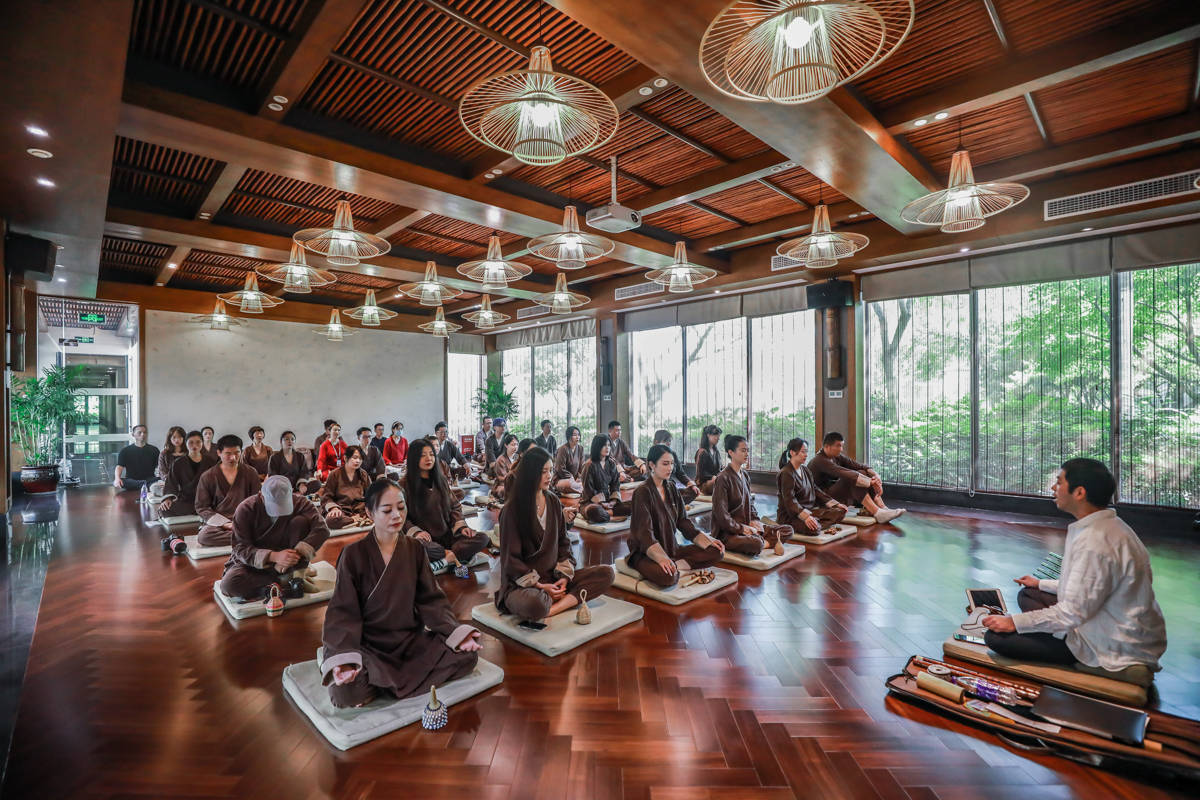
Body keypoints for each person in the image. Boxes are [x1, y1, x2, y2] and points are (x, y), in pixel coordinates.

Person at [981, 459, 1167, 676]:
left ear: (1079, 492)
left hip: (1112, 643)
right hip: (1110, 620)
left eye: (1059, 482)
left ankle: (1114, 668)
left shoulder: (1095, 542)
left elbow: (1073, 612)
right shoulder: (1111, 525)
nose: (1053, 488)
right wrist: (1040, 583)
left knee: (994, 638)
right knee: (1030, 594)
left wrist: (1014, 622)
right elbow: (1089, 587)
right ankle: (1053, 633)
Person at [321, 478, 483, 708]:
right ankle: (376, 679)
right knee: (344, 693)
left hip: (409, 641)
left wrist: (457, 633)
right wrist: (344, 659)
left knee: (468, 656)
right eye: (387, 510)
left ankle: (381, 687)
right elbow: (342, 613)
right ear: (369, 513)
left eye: (401, 507)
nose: (397, 515)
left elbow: (432, 600)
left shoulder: (415, 548)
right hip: (370, 647)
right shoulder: (353, 554)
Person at [495, 447, 614, 623]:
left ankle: (552, 609)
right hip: (523, 586)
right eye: (543, 472)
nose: (549, 476)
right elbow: (511, 561)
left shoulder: (553, 501)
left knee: (607, 574)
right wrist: (539, 585)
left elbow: (564, 544)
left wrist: (564, 577)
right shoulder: (511, 510)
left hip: (553, 577)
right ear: (530, 474)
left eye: (550, 470)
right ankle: (552, 602)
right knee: (535, 604)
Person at [219, 475, 330, 601]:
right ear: (261, 495)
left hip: (289, 561)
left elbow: (322, 529)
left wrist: (294, 555)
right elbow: (240, 548)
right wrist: (274, 557)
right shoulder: (245, 509)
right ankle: (287, 581)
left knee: (300, 522)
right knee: (229, 585)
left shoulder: (300, 501)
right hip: (255, 563)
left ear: (291, 494)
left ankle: (295, 574)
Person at [626, 445, 724, 586]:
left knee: (716, 551)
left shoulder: (671, 487)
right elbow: (644, 534)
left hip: (671, 548)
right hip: (645, 553)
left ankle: (675, 565)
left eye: (672, 464)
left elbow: (683, 522)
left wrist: (707, 539)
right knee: (669, 578)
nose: (670, 468)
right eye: (665, 464)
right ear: (652, 465)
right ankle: (672, 567)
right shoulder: (642, 492)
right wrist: (660, 558)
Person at [403, 439, 491, 568]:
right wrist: (416, 533)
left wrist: (462, 528)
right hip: (426, 541)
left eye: (432, 454)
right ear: (413, 458)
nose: (429, 458)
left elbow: (455, 507)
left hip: (448, 535)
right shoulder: (403, 485)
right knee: (419, 547)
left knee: (483, 538)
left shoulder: (441, 480)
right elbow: (401, 517)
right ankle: (449, 555)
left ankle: (447, 556)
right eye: (423, 455)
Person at [808, 432, 904, 523]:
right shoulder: (819, 460)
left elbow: (859, 466)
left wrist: (876, 476)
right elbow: (844, 473)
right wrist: (871, 482)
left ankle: (883, 508)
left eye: (842, 446)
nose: (841, 449)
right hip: (822, 499)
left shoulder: (836, 456)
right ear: (827, 447)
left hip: (831, 491)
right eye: (838, 446)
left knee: (861, 472)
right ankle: (877, 512)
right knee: (851, 478)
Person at [195, 434, 262, 546]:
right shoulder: (208, 476)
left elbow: (258, 500)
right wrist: (225, 523)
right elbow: (202, 507)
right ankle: (250, 537)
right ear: (219, 453)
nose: (233, 458)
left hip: (246, 519)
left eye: (237, 453)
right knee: (204, 536)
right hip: (220, 524)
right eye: (228, 454)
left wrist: (248, 520)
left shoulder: (250, 472)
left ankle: (246, 535)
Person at [710, 435, 770, 557]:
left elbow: (750, 504)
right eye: (743, 450)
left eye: (747, 450)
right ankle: (762, 543)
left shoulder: (745, 475)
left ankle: (762, 542)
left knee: (786, 530)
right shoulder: (723, 478)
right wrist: (741, 529)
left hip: (747, 527)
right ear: (731, 452)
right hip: (728, 533)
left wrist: (755, 521)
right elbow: (721, 516)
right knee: (756, 544)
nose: (747, 453)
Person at [776, 438, 847, 532]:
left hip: (810, 511)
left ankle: (816, 523)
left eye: (806, 452)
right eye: (803, 452)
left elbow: (815, 489)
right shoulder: (786, 473)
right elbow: (790, 501)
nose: (806, 455)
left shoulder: (805, 470)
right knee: (814, 529)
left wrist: (835, 504)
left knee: (840, 512)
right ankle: (816, 524)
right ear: (792, 453)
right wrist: (805, 517)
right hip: (791, 516)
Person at [158, 430, 217, 517]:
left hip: (206, 500)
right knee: (164, 509)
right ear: (185, 443)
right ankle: (201, 512)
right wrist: (168, 498)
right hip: (187, 500)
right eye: (191, 442)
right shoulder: (178, 463)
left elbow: (216, 483)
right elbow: (171, 482)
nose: (194, 445)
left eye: (198, 442)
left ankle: (202, 511)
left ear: (202, 443)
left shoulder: (210, 461)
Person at [580, 434, 630, 523]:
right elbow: (588, 490)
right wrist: (602, 503)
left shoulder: (611, 463)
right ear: (597, 447)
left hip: (608, 500)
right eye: (604, 445)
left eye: (609, 445)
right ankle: (609, 516)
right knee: (595, 512)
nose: (607, 448)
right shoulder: (589, 465)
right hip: (591, 502)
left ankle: (606, 514)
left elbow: (615, 484)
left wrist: (613, 501)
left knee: (632, 505)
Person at [321, 445, 372, 529]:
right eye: (355, 458)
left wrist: (369, 509)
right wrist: (333, 508)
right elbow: (326, 496)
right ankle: (353, 520)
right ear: (345, 458)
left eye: (360, 458)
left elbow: (371, 495)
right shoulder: (335, 474)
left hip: (360, 510)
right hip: (342, 510)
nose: (358, 461)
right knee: (331, 519)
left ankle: (358, 518)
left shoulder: (363, 474)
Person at [652, 429, 700, 503]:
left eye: (670, 441)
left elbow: (681, 473)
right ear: (656, 442)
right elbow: (651, 476)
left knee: (693, 491)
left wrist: (691, 484)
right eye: (666, 441)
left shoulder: (672, 454)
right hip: (658, 488)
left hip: (672, 487)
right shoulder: (652, 455)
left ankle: (672, 502)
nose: (668, 443)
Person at [268, 430, 321, 495]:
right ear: (281, 442)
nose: (290, 441)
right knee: (272, 488)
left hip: (297, 486)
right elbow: (273, 475)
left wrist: (301, 484)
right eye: (286, 439)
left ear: (295, 441)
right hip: (282, 487)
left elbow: (304, 471)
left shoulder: (300, 456)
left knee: (317, 483)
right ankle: (294, 495)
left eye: (292, 439)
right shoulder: (274, 457)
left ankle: (297, 494)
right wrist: (284, 486)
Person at [113, 424, 159, 492]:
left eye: (145, 432)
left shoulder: (154, 450)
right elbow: (119, 466)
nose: (143, 434)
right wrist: (117, 478)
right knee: (119, 481)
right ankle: (145, 485)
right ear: (133, 434)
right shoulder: (125, 451)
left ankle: (143, 485)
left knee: (161, 480)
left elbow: (160, 466)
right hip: (132, 480)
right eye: (139, 432)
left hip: (150, 479)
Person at [552, 426, 585, 495]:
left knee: (588, 481)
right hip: (562, 479)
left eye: (578, 435)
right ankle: (583, 490)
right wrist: (571, 478)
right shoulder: (563, 449)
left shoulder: (580, 449)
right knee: (569, 484)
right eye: (575, 435)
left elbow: (582, 467)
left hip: (576, 481)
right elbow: (560, 469)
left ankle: (580, 489)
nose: (577, 437)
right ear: (569, 436)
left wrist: (580, 477)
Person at [694, 424, 723, 495]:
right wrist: (713, 477)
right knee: (718, 482)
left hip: (716, 480)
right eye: (715, 435)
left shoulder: (716, 451)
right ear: (708, 435)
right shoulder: (702, 452)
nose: (718, 438)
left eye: (718, 436)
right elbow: (700, 473)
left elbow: (720, 468)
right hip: (703, 484)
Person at [488, 433, 518, 500]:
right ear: (506, 445)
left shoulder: (518, 457)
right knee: (505, 491)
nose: (515, 447)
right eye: (512, 445)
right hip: (503, 485)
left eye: (516, 444)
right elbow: (503, 479)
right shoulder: (501, 459)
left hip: (517, 483)